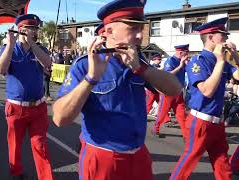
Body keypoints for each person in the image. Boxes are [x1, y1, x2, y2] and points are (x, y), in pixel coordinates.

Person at [52, 1, 182, 179]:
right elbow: (59, 118)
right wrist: (91, 78)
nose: (139, 36)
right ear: (109, 31)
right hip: (103, 159)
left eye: (141, 29)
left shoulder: (138, 59)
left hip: (139, 156)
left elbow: (174, 89)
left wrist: (141, 69)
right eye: (132, 28)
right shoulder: (85, 64)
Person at [170, 17, 239, 180]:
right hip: (201, 121)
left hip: (217, 122)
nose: (227, 38)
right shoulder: (197, 61)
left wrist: (235, 55)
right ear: (210, 37)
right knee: (189, 160)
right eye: (223, 35)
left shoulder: (223, 60)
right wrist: (221, 62)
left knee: (222, 162)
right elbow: (206, 90)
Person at [0, 14, 53, 180]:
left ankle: (46, 177)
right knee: (15, 144)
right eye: (30, 29)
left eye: (35, 29)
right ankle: (16, 172)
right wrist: (11, 44)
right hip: (16, 107)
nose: (33, 32)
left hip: (38, 108)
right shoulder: (9, 48)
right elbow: (0, 69)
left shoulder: (39, 48)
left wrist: (32, 43)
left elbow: (47, 63)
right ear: (21, 30)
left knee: (40, 145)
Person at [152, 44, 189, 138]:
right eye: (186, 52)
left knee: (181, 115)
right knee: (162, 112)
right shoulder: (171, 60)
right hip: (168, 90)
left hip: (178, 91)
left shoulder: (183, 61)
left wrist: (187, 65)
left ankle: (186, 135)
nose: (187, 54)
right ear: (181, 52)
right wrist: (180, 66)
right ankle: (155, 129)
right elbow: (168, 74)